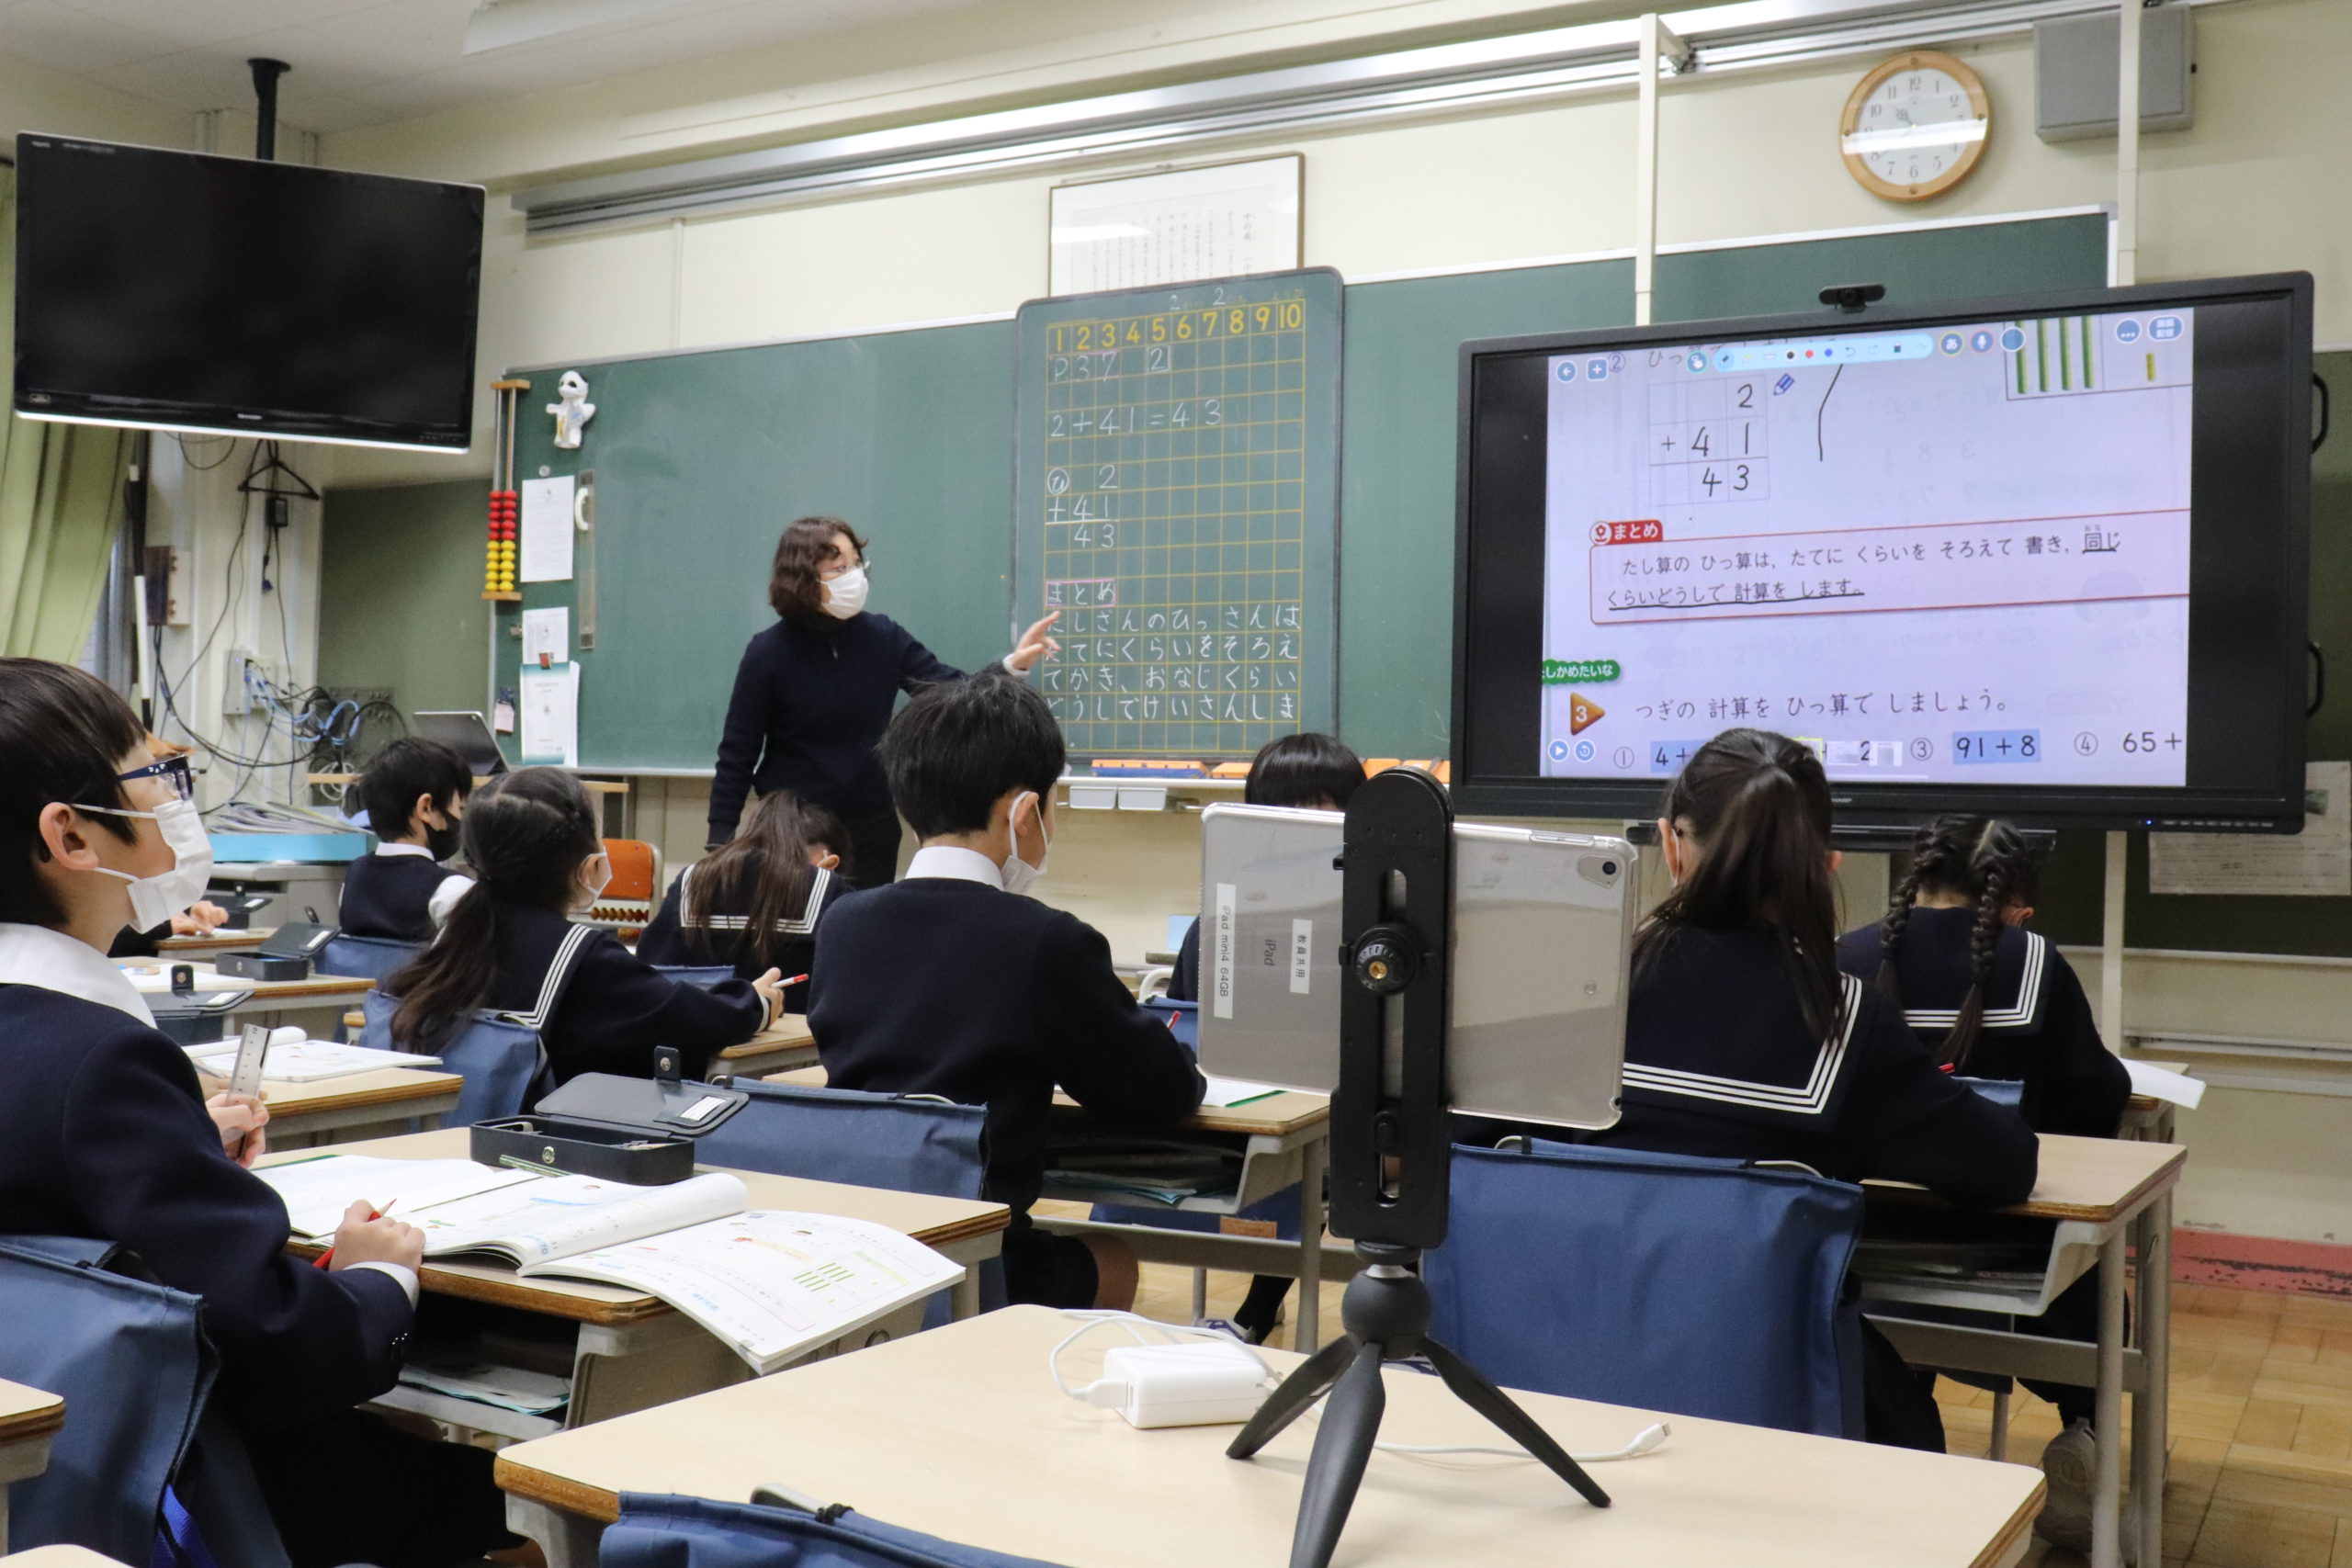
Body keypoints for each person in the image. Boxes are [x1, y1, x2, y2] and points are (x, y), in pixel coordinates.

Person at [0, 657, 514, 1568]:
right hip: (174, 1489)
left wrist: (181, 1150)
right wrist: (374, 1281)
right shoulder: (103, 1061)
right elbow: (276, 1338)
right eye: (155, 774)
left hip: (44, 1482)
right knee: (506, 1488)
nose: (174, 796)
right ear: (70, 835)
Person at [1529, 728, 2040, 1451]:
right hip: (1769, 1402)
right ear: (1824, 861)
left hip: (1549, 1376)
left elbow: (1462, 1154)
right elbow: (2003, 1164)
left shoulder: (1571, 998)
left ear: (1672, 845)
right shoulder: (1842, 1020)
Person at [807, 671, 1204, 1309]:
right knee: (1115, 1260)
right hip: (972, 1260)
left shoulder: (843, 922)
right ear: (1023, 812)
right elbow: (1161, 1091)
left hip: (853, 1252)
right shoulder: (1044, 940)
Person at [1840, 814, 2131, 1551]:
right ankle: (2084, 1435)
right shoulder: (2034, 960)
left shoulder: (1846, 957)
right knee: (2103, 1285)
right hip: (2019, 1267)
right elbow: (2093, 1097)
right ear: (2009, 895)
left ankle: (1896, 1455)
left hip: (1862, 1254)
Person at [707, 515, 1061, 886]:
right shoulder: (767, 653)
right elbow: (738, 751)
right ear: (803, 578)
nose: (854, 577)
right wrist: (720, 838)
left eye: (857, 564)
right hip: (794, 832)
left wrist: (1010, 666)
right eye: (839, 568)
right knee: (800, 937)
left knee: (860, 933)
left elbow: (949, 690)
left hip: (870, 829)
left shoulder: (882, 637)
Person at [386, 767, 784, 1084]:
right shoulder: (582, 957)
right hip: (546, 1154)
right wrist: (755, 1002)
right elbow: (688, 1018)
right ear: (584, 865)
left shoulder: (455, 935)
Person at [1164, 731, 1362, 1341]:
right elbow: (1188, 1025)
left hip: (1344, 1120)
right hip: (1252, 1118)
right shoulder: (1220, 920)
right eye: (1293, 811)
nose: (1312, 827)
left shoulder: (1375, 921)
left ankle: (1266, 1307)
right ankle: (1259, 1304)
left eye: (1331, 811)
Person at [1168, 732, 1363, 1005]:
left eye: (1315, 807)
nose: (1298, 824)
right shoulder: (1220, 919)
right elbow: (1191, 1019)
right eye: (1283, 808)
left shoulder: (1369, 916)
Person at [638, 791, 849, 1012]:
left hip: (697, 1034)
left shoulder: (691, 881)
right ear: (830, 861)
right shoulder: (828, 888)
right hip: (797, 1041)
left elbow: (649, 973)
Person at [338, 736, 477, 942]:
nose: (461, 819)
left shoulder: (353, 877)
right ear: (426, 808)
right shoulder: (453, 890)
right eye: (460, 808)